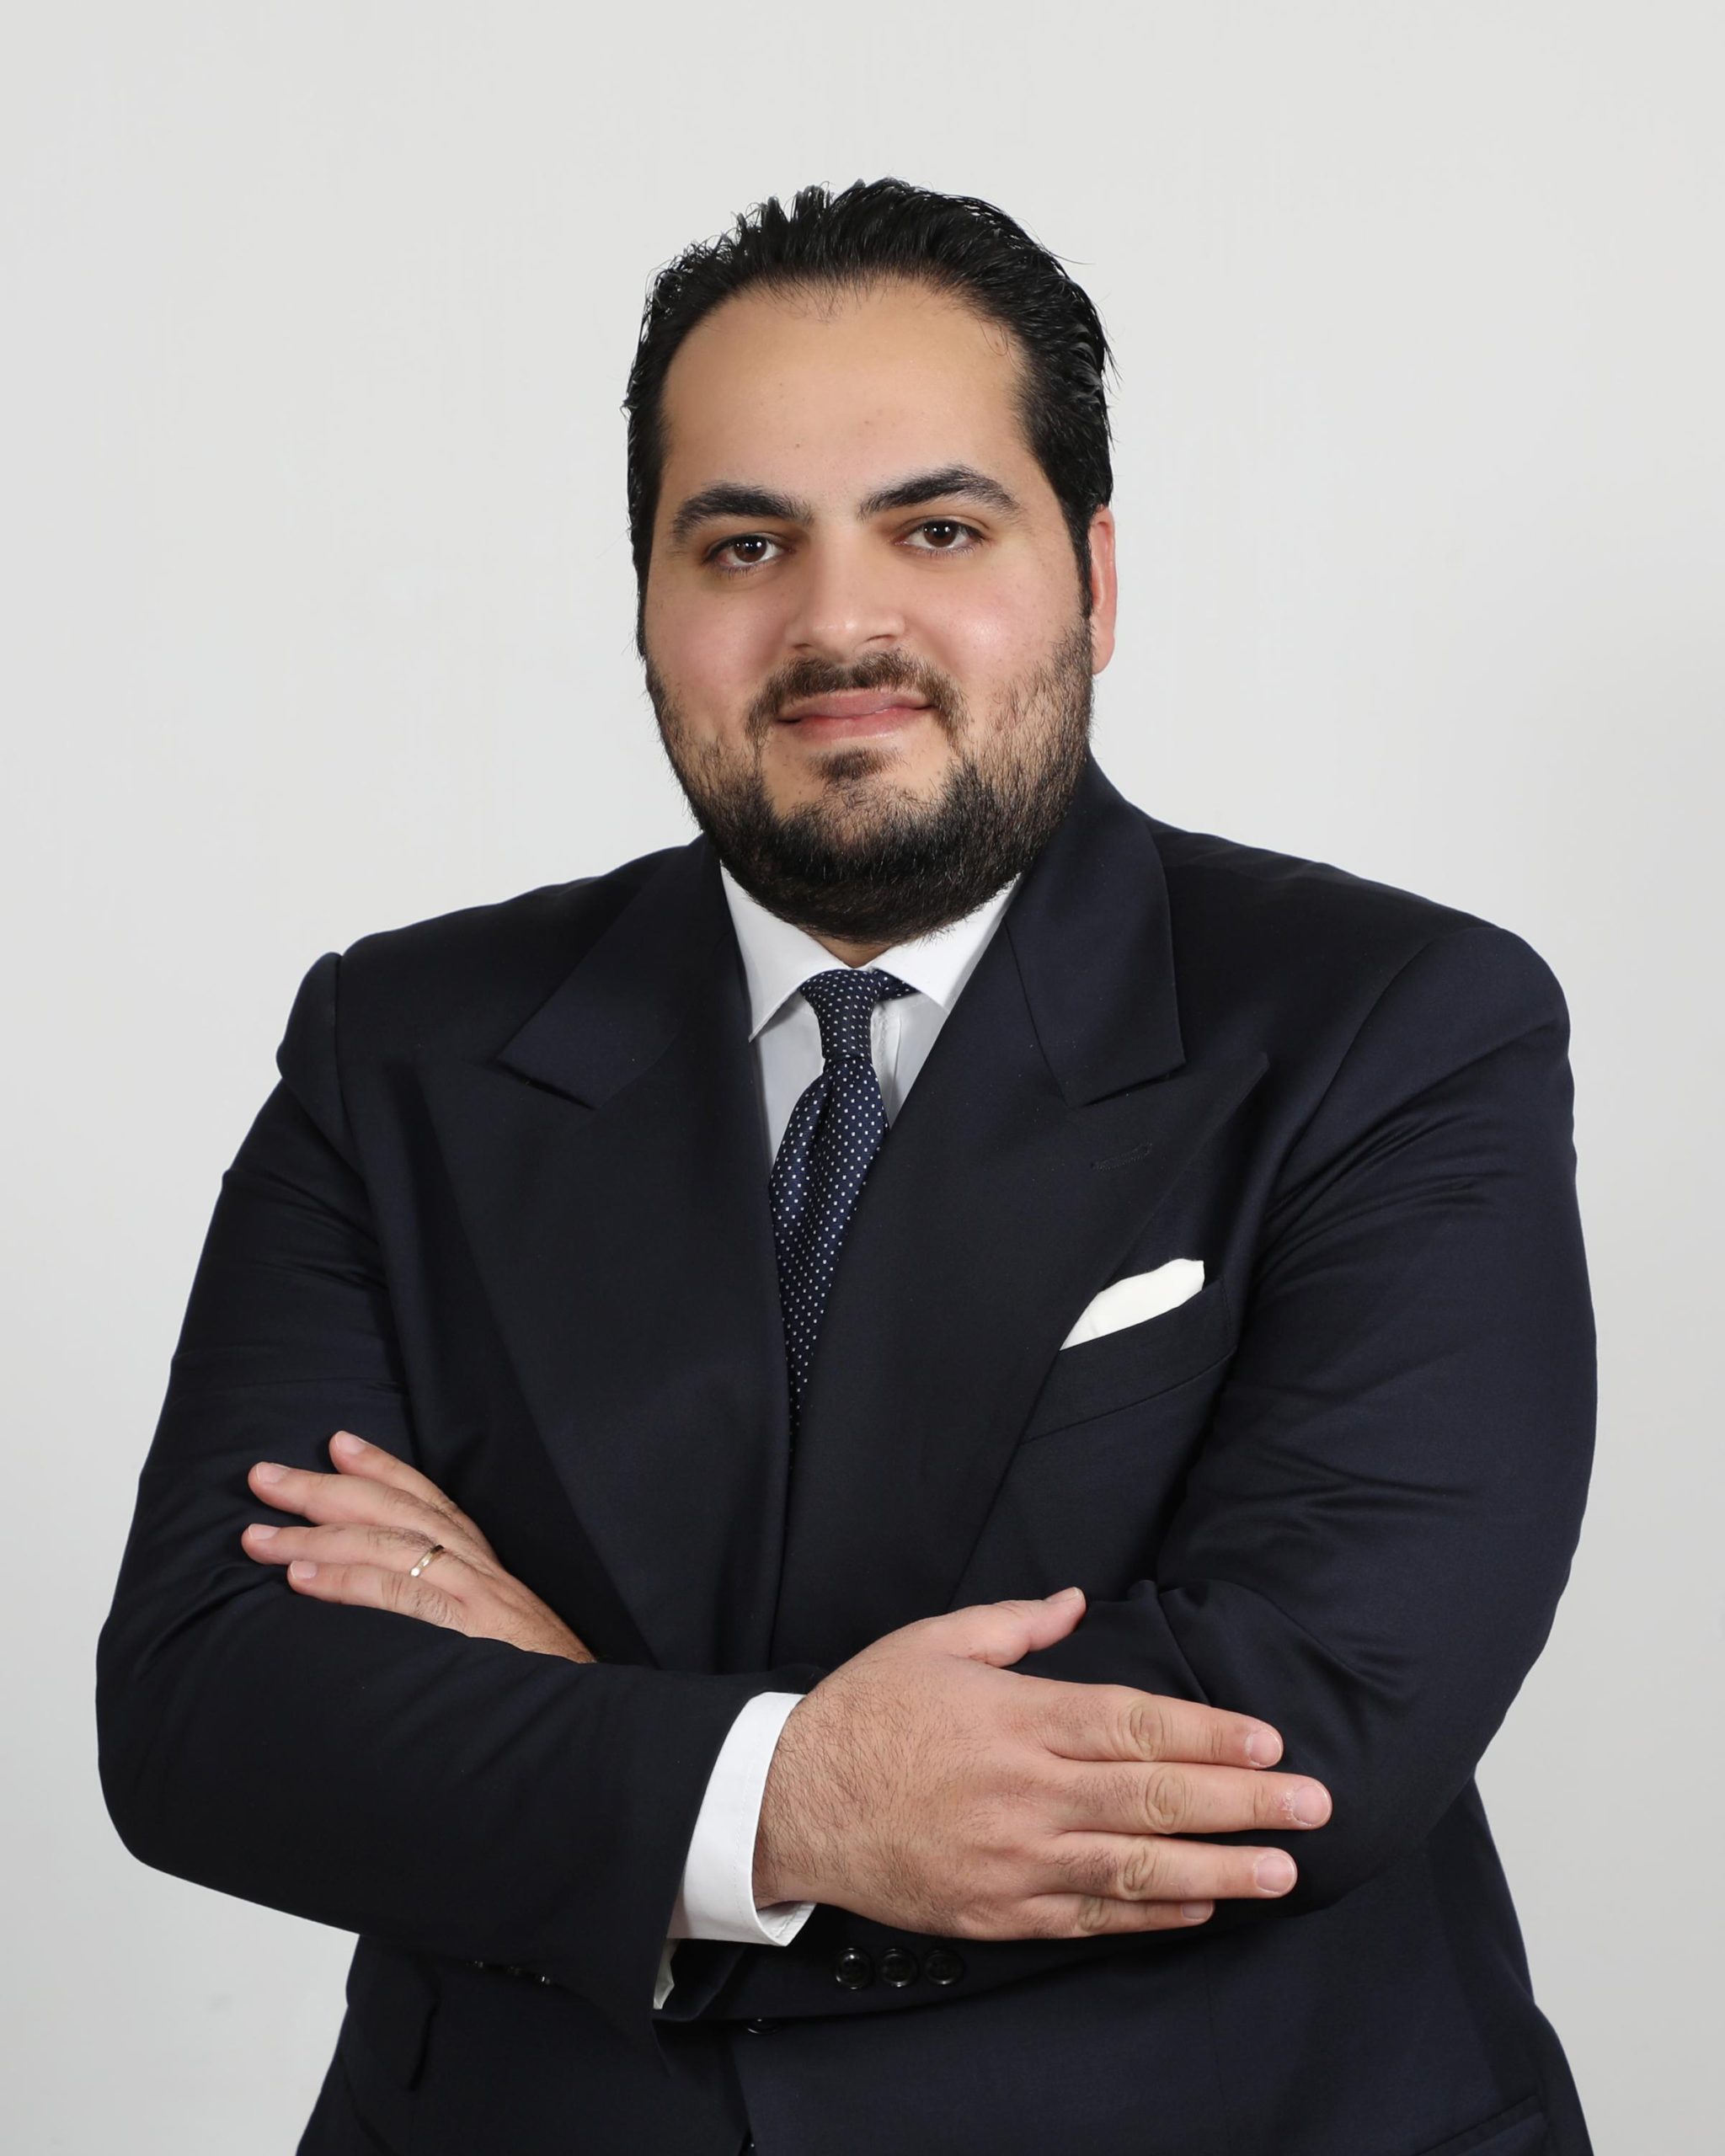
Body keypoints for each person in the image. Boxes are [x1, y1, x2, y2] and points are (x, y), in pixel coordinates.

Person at [97, 179, 1596, 2156]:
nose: (836, 624)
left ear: (1094, 576)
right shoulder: (403, 1044)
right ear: (646, 599)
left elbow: (1307, 1727)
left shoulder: (1392, 1024)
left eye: (937, 527)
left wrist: (644, 1787)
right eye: (743, 543)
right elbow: (213, 1709)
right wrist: (796, 1794)